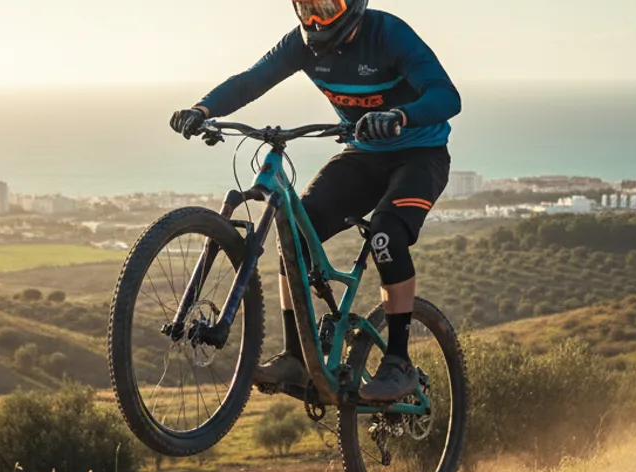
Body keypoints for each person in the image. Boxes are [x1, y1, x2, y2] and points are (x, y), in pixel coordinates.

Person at [169, 0, 460, 402]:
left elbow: (447, 96)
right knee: (294, 237)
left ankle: (398, 362)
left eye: (326, 5)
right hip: (362, 154)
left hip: (419, 155)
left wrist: (401, 116)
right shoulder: (302, 45)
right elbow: (251, 81)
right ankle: (296, 357)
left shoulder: (388, 34)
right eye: (307, 7)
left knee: (386, 236)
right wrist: (202, 109)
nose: (316, 19)